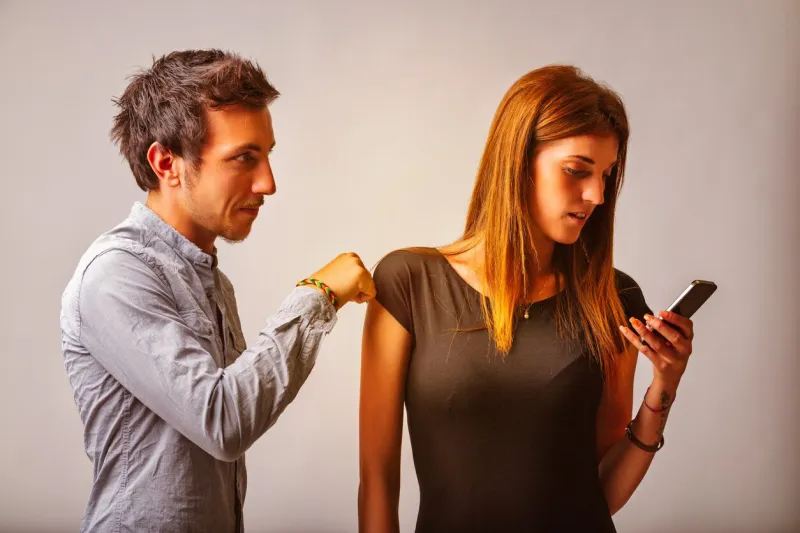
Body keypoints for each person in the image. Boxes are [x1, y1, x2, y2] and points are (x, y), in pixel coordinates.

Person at [358, 65, 697, 532]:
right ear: (517, 161)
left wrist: (664, 385)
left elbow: (601, 492)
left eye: (606, 175)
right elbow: (376, 480)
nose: (596, 194)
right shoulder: (407, 282)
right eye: (578, 171)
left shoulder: (613, 298)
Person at [60, 49, 375, 533]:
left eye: (267, 155)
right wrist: (318, 294)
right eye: (244, 158)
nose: (267, 183)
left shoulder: (211, 280)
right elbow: (222, 421)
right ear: (167, 163)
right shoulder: (115, 274)